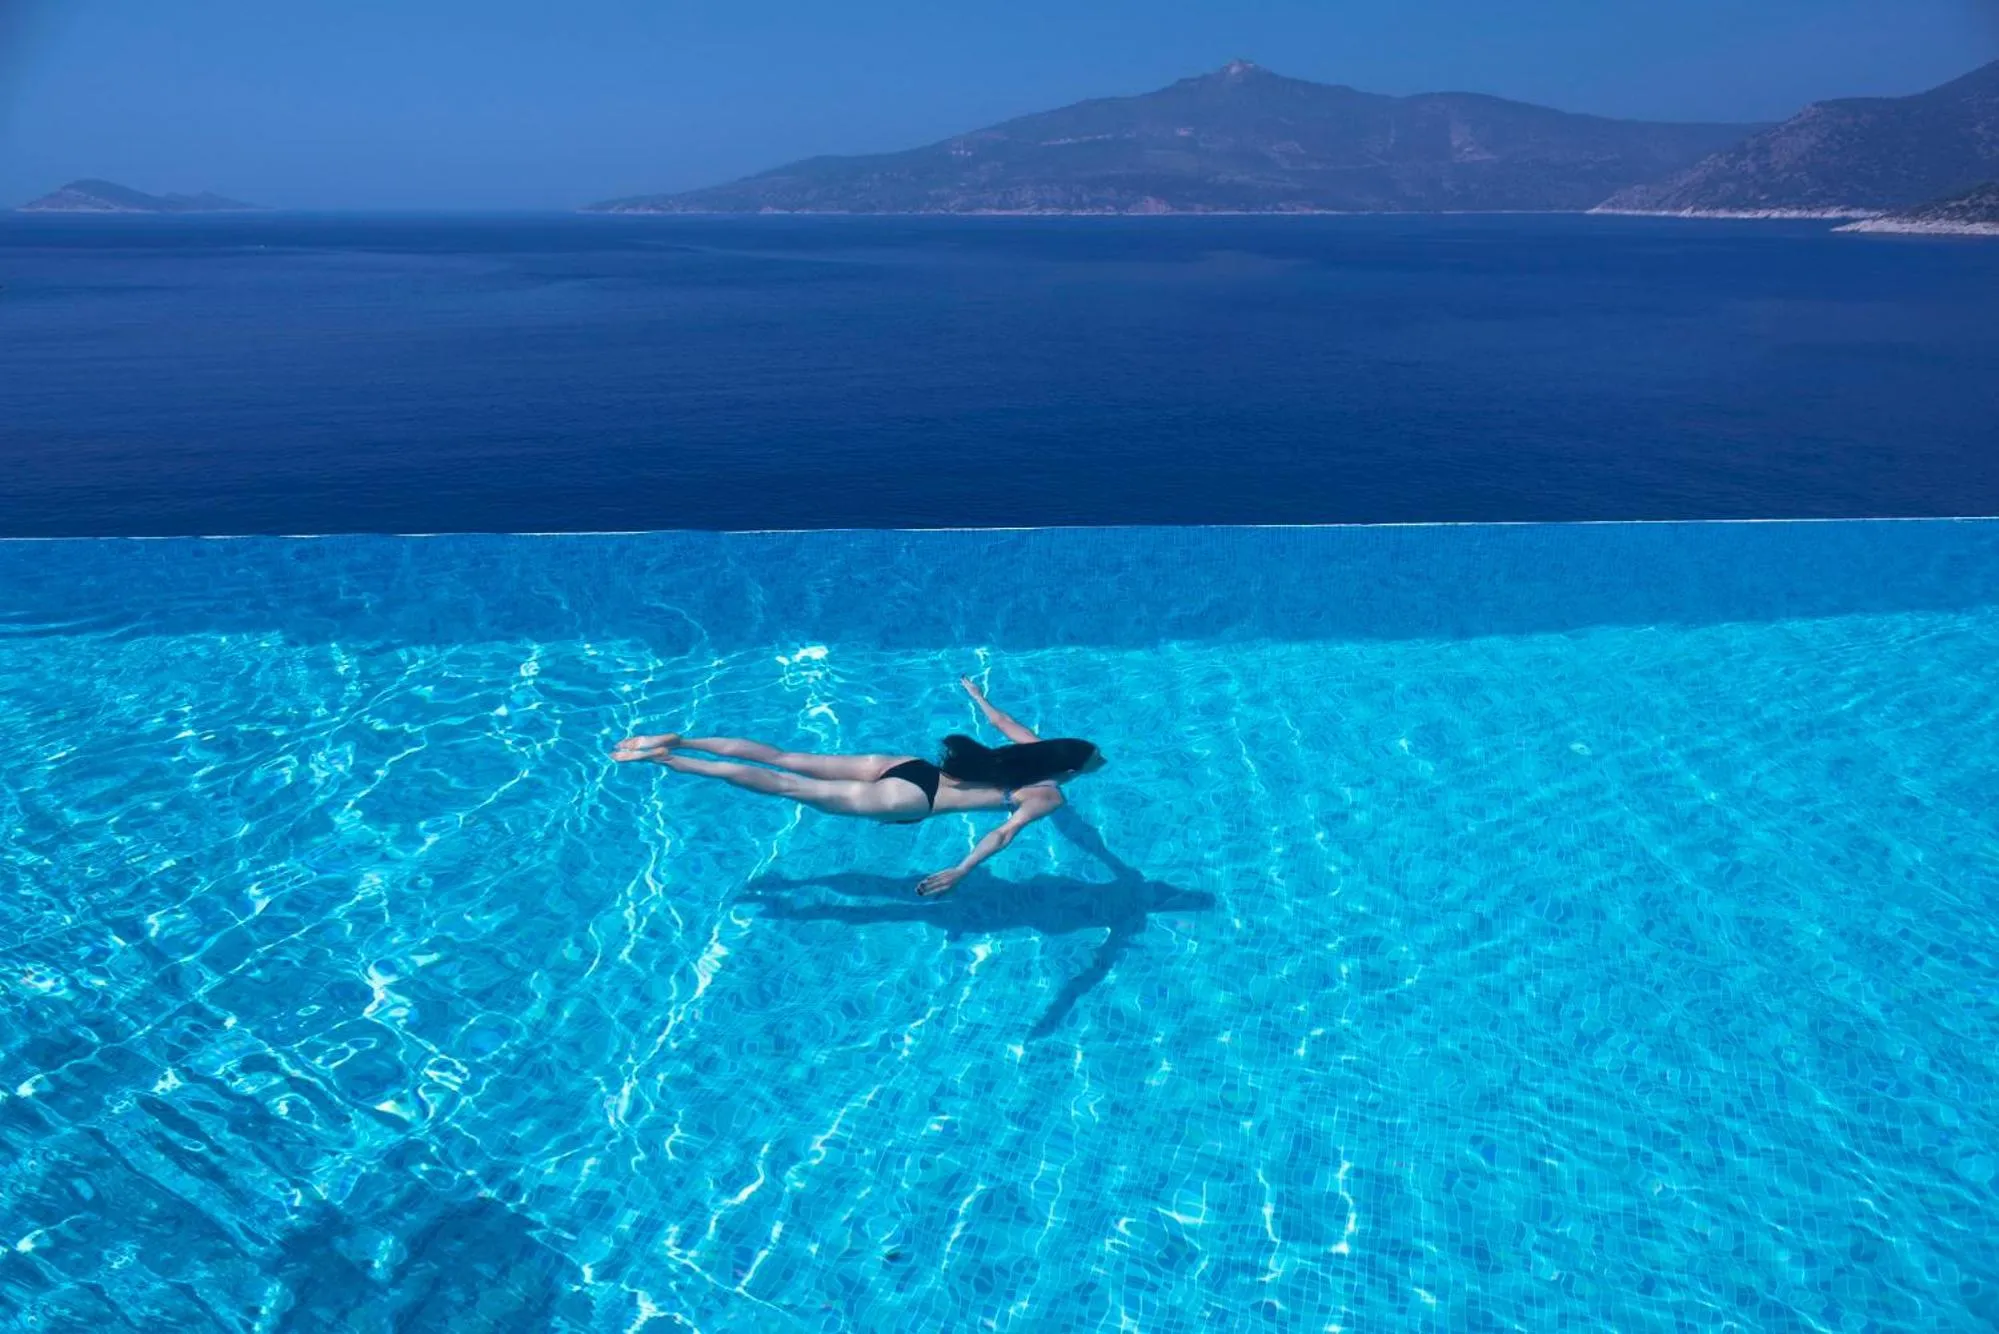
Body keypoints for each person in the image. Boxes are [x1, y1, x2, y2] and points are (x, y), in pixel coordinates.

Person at [614, 676, 1104, 896]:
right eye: (1095, 760)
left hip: (911, 767)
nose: (1101, 761)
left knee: (785, 756)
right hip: (910, 798)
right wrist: (962, 869)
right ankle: (673, 760)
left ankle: (682, 737)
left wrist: (976, 693)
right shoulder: (1047, 795)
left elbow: (1000, 719)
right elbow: (1002, 835)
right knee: (785, 785)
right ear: (1073, 769)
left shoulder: (1031, 749)